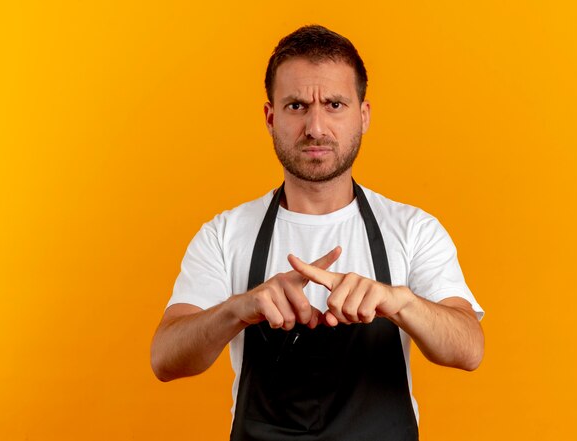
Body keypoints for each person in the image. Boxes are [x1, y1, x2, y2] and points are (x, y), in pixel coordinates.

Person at [150, 24, 484, 441]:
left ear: (363, 116)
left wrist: (399, 303)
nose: (316, 127)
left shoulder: (413, 229)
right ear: (270, 118)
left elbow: (469, 348)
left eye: (334, 104)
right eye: (296, 106)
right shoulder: (225, 234)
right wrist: (238, 308)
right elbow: (165, 358)